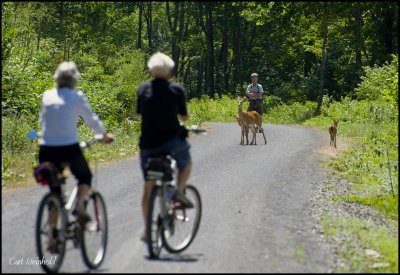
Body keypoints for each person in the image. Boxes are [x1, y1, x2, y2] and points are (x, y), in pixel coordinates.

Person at [38, 61, 113, 252]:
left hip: (46, 149)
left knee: (54, 192)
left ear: (57, 78)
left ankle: (52, 240)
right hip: (69, 148)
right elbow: (91, 119)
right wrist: (104, 135)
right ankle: (80, 208)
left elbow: (43, 121)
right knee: (85, 177)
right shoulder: (75, 97)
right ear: (74, 80)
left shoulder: (47, 96)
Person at [136, 52, 193, 242]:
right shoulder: (176, 90)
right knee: (186, 163)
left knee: (148, 189)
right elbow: (183, 117)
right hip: (171, 142)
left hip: (148, 145)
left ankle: (146, 230)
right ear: (169, 71)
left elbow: (140, 115)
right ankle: (179, 189)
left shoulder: (143, 89)